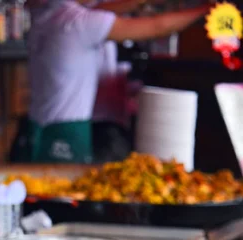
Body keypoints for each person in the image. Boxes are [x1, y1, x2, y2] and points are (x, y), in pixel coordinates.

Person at [24, 0, 211, 163]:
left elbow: (101, 9)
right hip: (68, 134)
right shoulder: (80, 22)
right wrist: (207, 10)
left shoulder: (47, 15)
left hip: (36, 130)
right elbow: (157, 26)